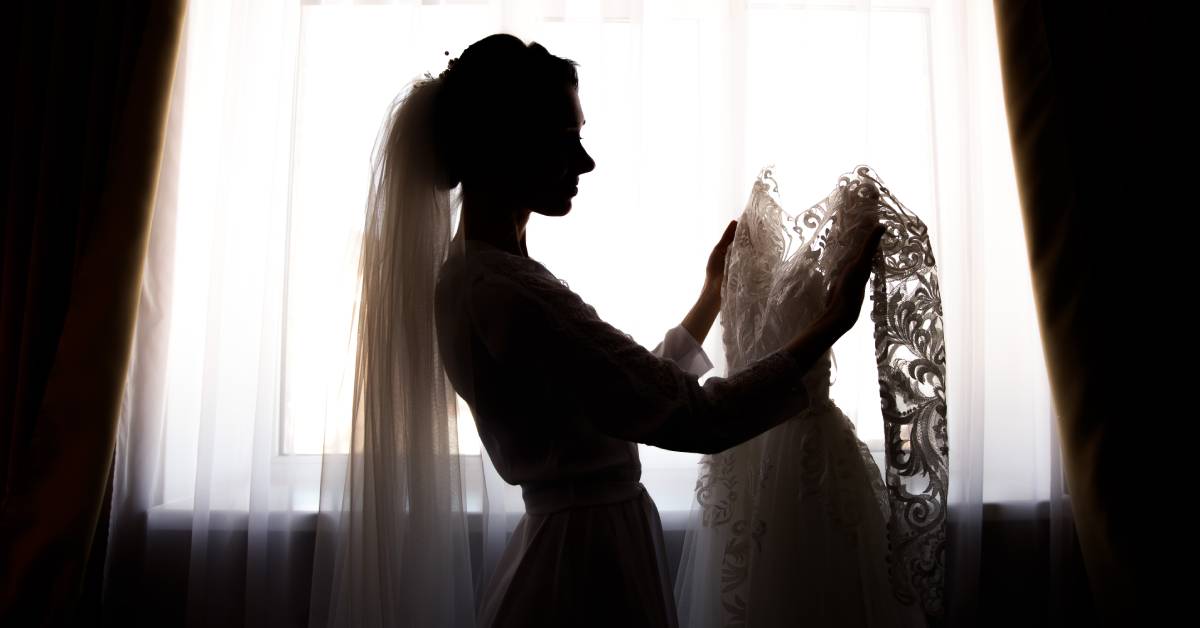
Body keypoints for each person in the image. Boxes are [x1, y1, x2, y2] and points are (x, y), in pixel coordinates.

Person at [376, 33, 884, 627]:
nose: (586, 162)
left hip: (582, 546)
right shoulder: (501, 292)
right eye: (567, 142)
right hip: (581, 572)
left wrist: (710, 297)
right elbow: (691, 417)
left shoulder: (491, 278)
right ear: (506, 144)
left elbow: (618, 391)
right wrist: (828, 325)